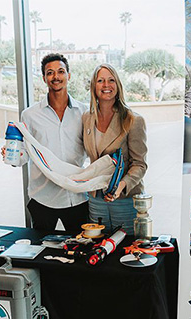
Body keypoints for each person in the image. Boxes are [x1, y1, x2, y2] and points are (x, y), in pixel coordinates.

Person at [2, 53, 88, 233]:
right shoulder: (30, 115)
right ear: (44, 78)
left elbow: (93, 149)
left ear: (69, 75)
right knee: (41, 252)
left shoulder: (84, 112)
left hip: (77, 196)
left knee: (81, 251)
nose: (56, 77)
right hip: (42, 197)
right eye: (50, 73)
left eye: (61, 71)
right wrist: (13, 155)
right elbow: (25, 154)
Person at [82, 63, 147, 235]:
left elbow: (140, 164)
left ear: (117, 85)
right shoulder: (87, 118)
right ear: (93, 86)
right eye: (100, 80)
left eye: (111, 80)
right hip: (96, 200)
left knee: (125, 252)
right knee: (98, 248)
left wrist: (120, 186)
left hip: (125, 199)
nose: (106, 85)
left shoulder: (133, 120)